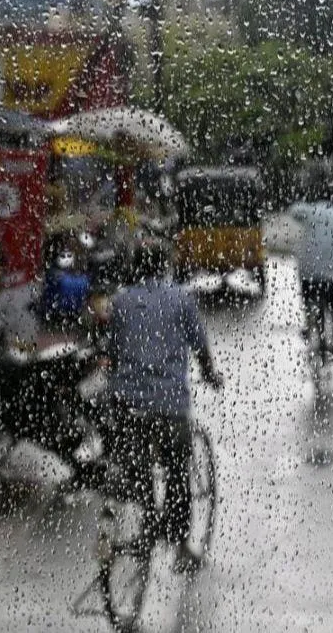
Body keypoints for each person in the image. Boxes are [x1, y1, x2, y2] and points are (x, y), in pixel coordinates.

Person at [105, 239, 223, 575]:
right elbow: (200, 344)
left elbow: (112, 350)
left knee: (138, 469)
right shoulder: (180, 299)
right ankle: (181, 544)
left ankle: (145, 527)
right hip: (169, 402)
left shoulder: (122, 301)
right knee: (176, 471)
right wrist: (211, 375)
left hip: (127, 401)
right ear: (163, 266)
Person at [289, 163, 333, 359]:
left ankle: (310, 328)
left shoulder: (309, 212)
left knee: (310, 302)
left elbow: (293, 210)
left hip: (309, 270)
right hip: (332, 272)